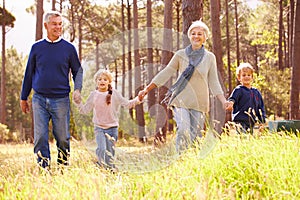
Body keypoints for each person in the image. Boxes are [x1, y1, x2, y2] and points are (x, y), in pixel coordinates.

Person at [138, 19, 229, 152]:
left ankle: (191, 161)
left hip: (200, 102)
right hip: (181, 99)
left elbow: (214, 81)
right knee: (184, 129)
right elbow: (166, 72)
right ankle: (180, 157)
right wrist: (147, 89)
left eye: (199, 34)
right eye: (193, 33)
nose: (196, 36)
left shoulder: (210, 57)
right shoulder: (180, 55)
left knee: (196, 135)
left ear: (205, 38)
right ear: (189, 36)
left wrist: (223, 101)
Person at [20, 10, 83, 169]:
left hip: (61, 99)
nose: (58, 27)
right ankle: (44, 169)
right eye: (54, 24)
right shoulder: (36, 47)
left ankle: (63, 167)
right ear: (46, 25)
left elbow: (78, 71)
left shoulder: (69, 48)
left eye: (60, 24)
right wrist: (23, 97)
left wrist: (77, 89)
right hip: (39, 99)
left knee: (62, 138)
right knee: (40, 137)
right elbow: (29, 73)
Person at [75, 70, 141, 171]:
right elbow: (85, 110)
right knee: (101, 149)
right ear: (96, 81)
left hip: (112, 128)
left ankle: (110, 170)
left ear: (109, 82)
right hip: (99, 128)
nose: (102, 81)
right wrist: (78, 103)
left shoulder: (114, 94)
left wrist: (138, 99)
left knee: (110, 152)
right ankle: (101, 168)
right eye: (99, 79)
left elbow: (127, 104)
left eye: (105, 79)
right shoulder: (94, 95)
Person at [226, 63, 266, 134]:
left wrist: (262, 121)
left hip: (252, 121)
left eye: (249, 75)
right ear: (239, 78)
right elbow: (232, 98)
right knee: (243, 136)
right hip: (240, 120)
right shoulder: (239, 90)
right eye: (244, 75)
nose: (246, 77)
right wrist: (231, 104)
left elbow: (260, 107)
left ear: (252, 77)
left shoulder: (256, 92)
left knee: (249, 138)